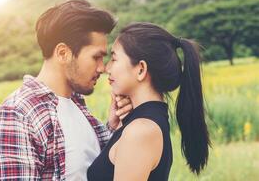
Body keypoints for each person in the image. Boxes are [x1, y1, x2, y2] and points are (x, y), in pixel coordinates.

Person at [0, 0, 132, 180]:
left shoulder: (77, 105)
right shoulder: (16, 115)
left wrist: (112, 128)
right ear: (63, 53)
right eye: (96, 57)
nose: (102, 68)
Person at [87, 22, 211, 181]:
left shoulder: (140, 131)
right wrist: (112, 127)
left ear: (141, 69)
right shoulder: (143, 123)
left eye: (114, 58)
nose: (106, 68)